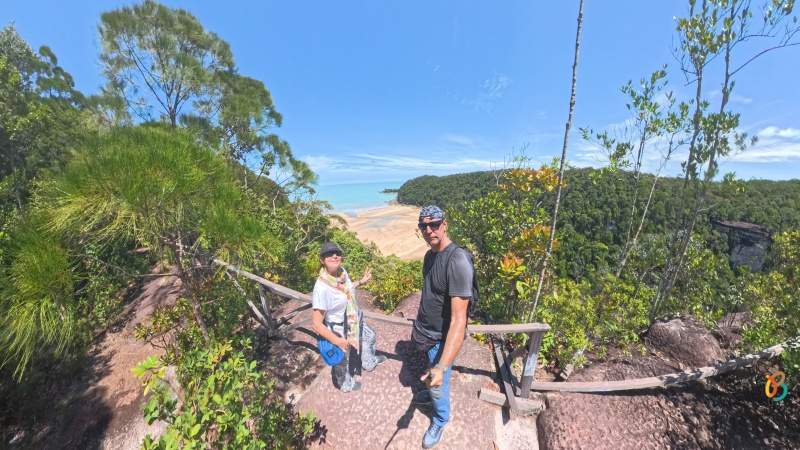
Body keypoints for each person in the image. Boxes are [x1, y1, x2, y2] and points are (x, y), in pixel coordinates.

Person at [412, 205, 474, 449]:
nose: (428, 230)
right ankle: (432, 396)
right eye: (423, 226)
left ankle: (440, 419)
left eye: (434, 224)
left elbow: (460, 320)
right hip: (426, 333)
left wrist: (442, 365)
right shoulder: (430, 255)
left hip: (441, 337)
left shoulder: (457, 260)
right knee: (432, 376)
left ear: (445, 225)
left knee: (438, 381)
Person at [311, 242, 387, 392]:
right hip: (339, 328)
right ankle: (345, 384)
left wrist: (361, 281)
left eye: (337, 253)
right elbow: (317, 324)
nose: (334, 255)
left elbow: (347, 289)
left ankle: (368, 361)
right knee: (342, 361)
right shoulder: (321, 287)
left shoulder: (342, 273)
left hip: (354, 318)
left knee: (369, 336)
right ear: (322, 260)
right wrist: (337, 340)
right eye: (329, 254)